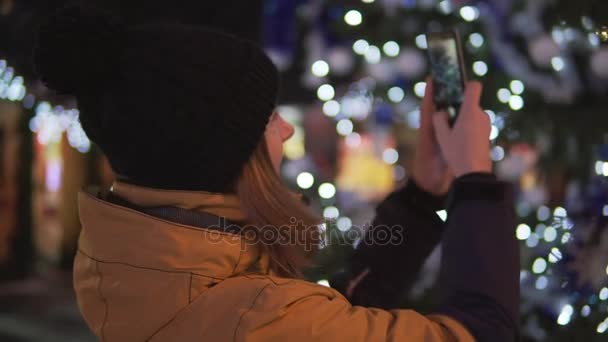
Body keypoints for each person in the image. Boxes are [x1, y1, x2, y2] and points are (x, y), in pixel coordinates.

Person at [34, 5, 519, 342]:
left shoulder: (138, 262)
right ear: (213, 155)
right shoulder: (250, 320)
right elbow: (479, 332)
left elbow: (329, 316)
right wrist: (474, 179)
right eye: (268, 118)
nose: (286, 130)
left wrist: (422, 196)